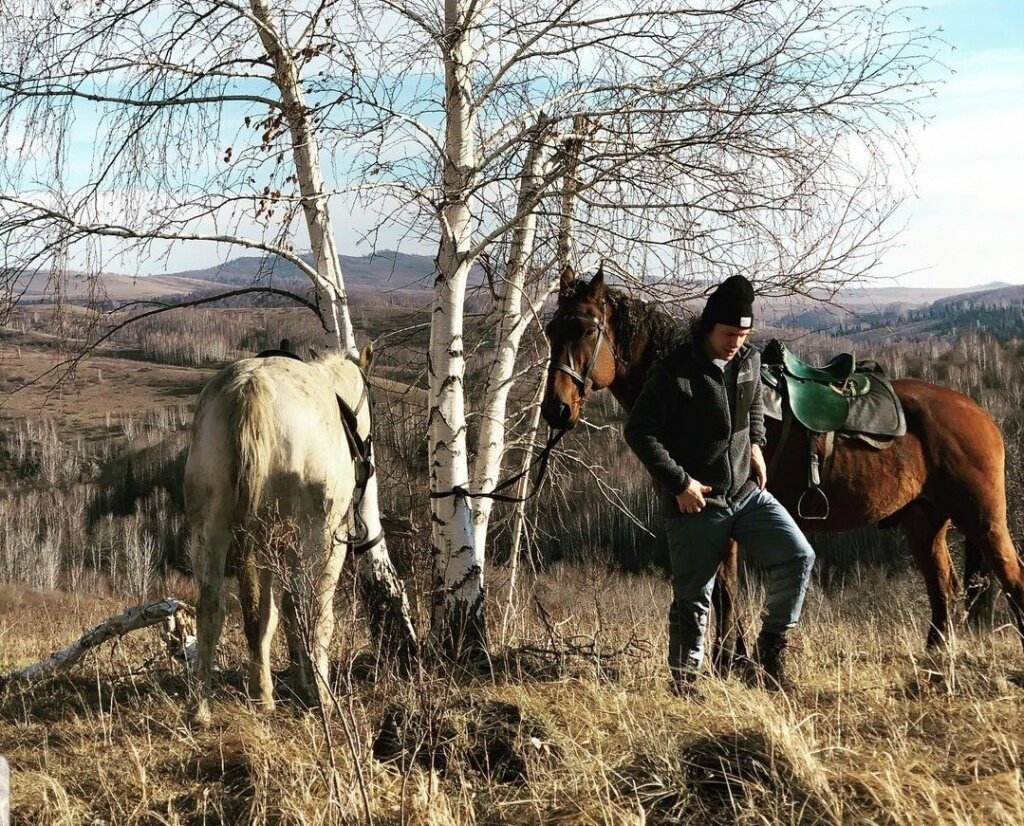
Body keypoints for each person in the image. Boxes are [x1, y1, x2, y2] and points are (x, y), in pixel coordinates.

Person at [623, 275, 815, 692]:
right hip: (697, 503)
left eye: (743, 335)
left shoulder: (749, 360)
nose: (735, 343)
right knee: (694, 599)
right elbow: (639, 432)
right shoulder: (673, 372)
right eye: (729, 334)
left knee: (799, 555)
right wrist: (679, 484)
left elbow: (754, 407)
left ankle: (770, 652)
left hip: (746, 494)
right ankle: (685, 685)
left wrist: (757, 445)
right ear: (708, 326)